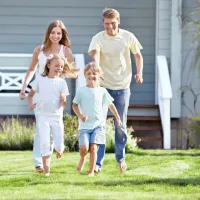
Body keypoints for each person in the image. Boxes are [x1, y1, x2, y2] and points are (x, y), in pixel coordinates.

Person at [88, 8, 143, 172]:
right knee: (99, 125)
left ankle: (121, 159)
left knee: (120, 125)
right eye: (106, 24)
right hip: (103, 88)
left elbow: (138, 56)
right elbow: (95, 55)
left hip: (122, 87)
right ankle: (98, 163)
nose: (110, 27)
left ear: (118, 21)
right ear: (103, 23)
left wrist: (139, 73)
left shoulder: (127, 36)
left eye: (113, 23)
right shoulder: (98, 38)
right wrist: (97, 67)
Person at [19, 20, 75, 173]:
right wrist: (24, 86)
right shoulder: (39, 50)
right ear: (48, 34)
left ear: (62, 35)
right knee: (41, 129)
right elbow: (31, 69)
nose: (55, 36)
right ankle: (40, 163)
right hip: (39, 94)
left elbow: (72, 70)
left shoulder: (65, 51)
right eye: (53, 33)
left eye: (58, 33)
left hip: (55, 96)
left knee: (53, 129)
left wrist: (58, 74)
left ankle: (51, 154)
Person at [28, 54, 77, 176]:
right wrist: (31, 103)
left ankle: (60, 149)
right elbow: (30, 94)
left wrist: (63, 100)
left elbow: (64, 103)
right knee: (45, 142)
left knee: (59, 143)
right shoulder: (40, 79)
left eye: (61, 67)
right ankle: (46, 171)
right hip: (43, 116)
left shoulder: (61, 83)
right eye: (57, 66)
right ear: (48, 65)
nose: (59, 69)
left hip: (56, 117)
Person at [72, 62, 122, 177]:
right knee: (84, 148)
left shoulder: (102, 91)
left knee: (94, 148)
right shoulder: (81, 91)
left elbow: (110, 105)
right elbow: (74, 105)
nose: (91, 75)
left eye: (94, 73)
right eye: (89, 73)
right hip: (84, 126)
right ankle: (83, 157)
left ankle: (91, 172)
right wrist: (80, 116)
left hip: (98, 125)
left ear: (99, 75)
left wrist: (118, 118)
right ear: (85, 75)